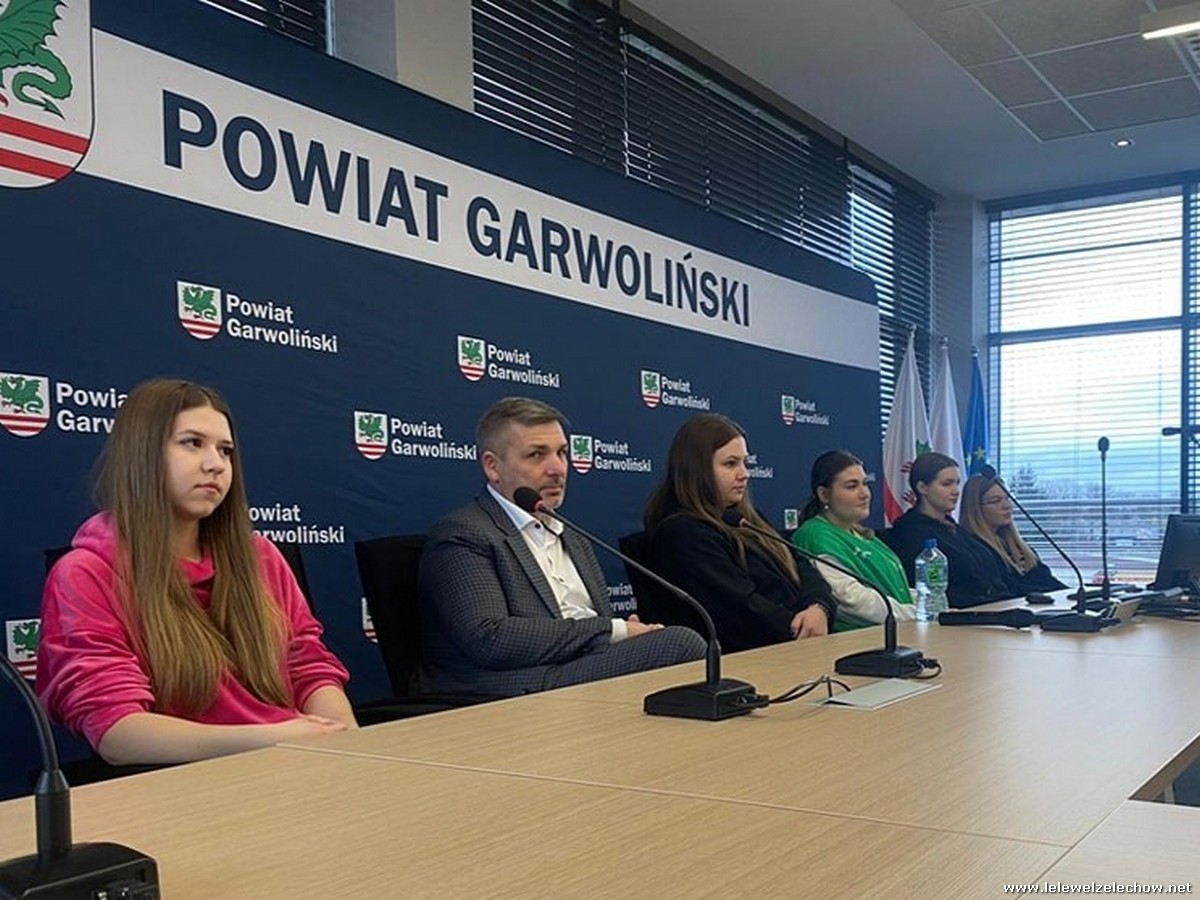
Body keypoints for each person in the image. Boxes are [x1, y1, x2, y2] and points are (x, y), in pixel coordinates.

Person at [37, 379, 356, 766]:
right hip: (184, 783)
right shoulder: (85, 574)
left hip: (294, 762)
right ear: (142, 453)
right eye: (192, 443)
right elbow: (116, 732)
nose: (215, 464)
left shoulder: (261, 556)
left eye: (225, 450)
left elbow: (307, 666)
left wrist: (343, 736)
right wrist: (276, 738)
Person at [418, 396, 705, 696]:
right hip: (511, 683)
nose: (558, 468)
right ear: (493, 466)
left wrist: (626, 635)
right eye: (536, 455)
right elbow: (490, 638)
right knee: (680, 645)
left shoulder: (574, 537)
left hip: (577, 666)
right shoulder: (465, 533)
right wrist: (614, 631)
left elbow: (599, 624)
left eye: (562, 453)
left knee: (682, 652)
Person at [642, 413, 836, 654]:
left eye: (745, 462)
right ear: (697, 469)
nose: (744, 473)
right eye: (730, 464)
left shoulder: (746, 519)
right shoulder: (682, 534)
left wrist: (819, 608)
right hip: (753, 657)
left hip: (797, 646)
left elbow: (802, 567)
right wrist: (802, 629)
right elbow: (741, 611)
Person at [791, 450, 916, 630]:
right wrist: (916, 613)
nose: (865, 494)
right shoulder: (815, 536)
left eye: (865, 483)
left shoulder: (864, 536)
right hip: (858, 641)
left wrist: (930, 606)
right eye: (852, 486)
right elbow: (852, 601)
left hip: (901, 630)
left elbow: (899, 589)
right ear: (824, 494)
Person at [882, 451, 1015, 607]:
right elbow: (943, 593)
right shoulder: (910, 533)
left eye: (957, 483)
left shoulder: (953, 528)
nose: (956, 491)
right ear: (923, 488)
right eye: (947, 484)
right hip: (961, 615)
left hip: (995, 607)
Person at [960, 473, 1066, 595]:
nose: (1007, 506)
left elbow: (1046, 579)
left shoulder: (1016, 545)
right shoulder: (974, 549)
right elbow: (1010, 588)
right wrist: (1051, 596)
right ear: (975, 508)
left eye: (1008, 498)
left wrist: (1072, 594)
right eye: (995, 501)